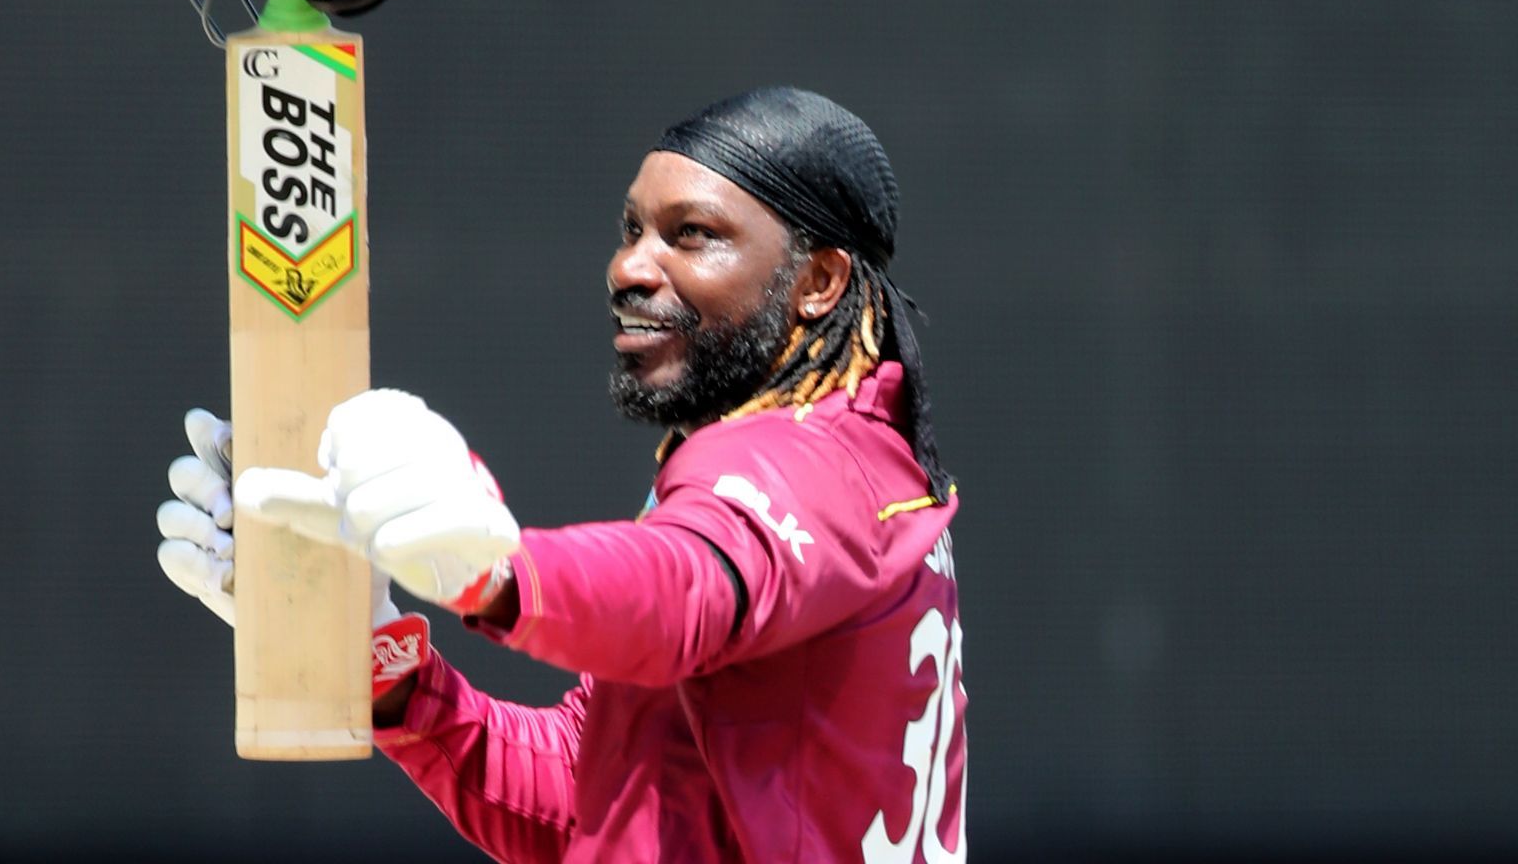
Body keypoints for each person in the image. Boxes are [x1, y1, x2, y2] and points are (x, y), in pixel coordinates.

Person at [157, 87, 968, 862]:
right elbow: (581, 803)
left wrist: (500, 576)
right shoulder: (847, 452)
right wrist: (375, 660)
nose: (629, 267)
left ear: (818, 283)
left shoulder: (796, 463)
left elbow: (681, 588)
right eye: (632, 229)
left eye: (692, 234)